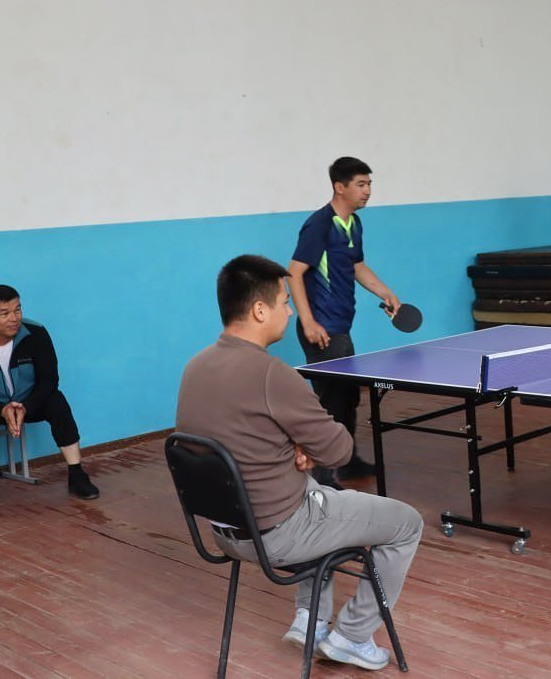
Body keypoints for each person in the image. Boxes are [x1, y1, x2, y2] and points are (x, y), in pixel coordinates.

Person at [176, 255, 422, 670]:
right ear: (260, 310)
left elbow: (229, 443)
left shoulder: (194, 367)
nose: (290, 312)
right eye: (285, 302)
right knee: (406, 524)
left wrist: (292, 446)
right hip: (277, 533)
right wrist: (302, 445)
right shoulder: (273, 374)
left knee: (315, 491)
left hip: (224, 530)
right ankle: (352, 636)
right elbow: (339, 451)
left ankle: (311, 618)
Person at [0, 285, 100, 528]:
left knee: (57, 401)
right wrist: (0, 409)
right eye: (4, 313)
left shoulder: (35, 333)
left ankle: (77, 474)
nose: (14, 318)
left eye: (17, 310)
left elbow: (49, 380)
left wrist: (26, 406)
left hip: (27, 402)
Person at [288, 157, 400, 490]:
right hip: (321, 329)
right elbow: (293, 273)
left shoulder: (354, 224)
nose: (367, 191)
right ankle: (323, 476)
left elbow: (357, 266)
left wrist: (386, 292)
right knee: (331, 402)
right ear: (340, 187)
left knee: (348, 396)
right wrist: (309, 322)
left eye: (369, 184)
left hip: (340, 326)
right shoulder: (320, 224)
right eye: (361, 184)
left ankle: (347, 462)